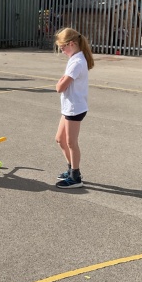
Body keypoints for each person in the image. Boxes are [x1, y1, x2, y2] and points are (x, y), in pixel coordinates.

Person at [54, 27, 94, 189]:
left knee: (71, 143)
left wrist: (60, 82)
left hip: (75, 108)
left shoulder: (77, 62)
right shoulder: (75, 58)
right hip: (69, 107)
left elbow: (60, 87)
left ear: (71, 44)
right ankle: (72, 169)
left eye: (62, 48)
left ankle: (75, 177)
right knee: (60, 139)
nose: (62, 51)